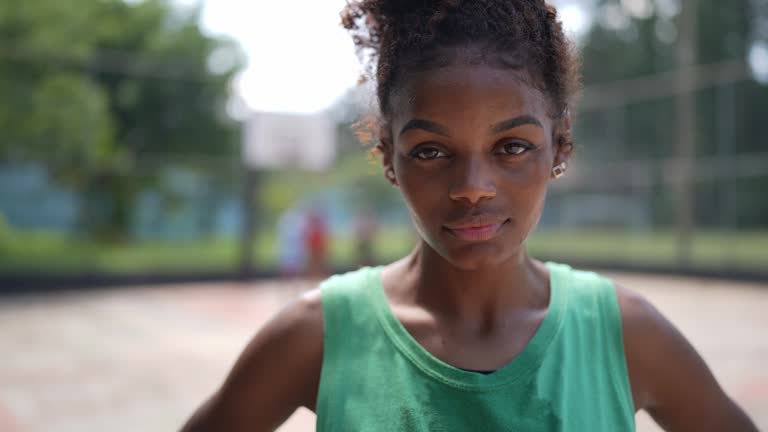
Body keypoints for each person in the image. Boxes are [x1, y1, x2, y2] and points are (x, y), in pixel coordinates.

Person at [181, 1, 758, 431]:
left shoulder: (625, 335)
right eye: (431, 152)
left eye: (512, 147)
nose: (473, 189)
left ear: (560, 148)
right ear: (389, 159)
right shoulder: (317, 336)